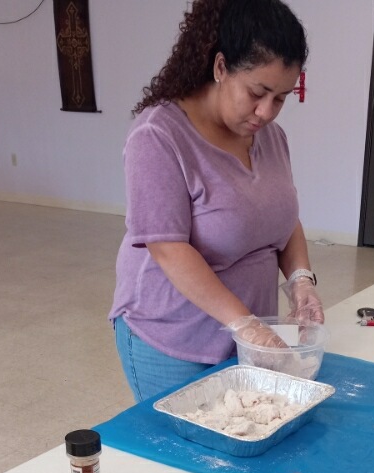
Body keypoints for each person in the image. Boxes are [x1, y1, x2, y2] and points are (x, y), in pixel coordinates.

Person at [109, 0, 324, 402]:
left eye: (280, 98)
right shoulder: (158, 136)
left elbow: (281, 217)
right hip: (175, 339)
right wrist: (246, 325)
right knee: (188, 439)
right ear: (221, 67)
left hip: (245, 338)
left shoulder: (270, 138)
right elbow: (168, 248)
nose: (266, 112)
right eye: (257, 92)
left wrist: (300, 281)